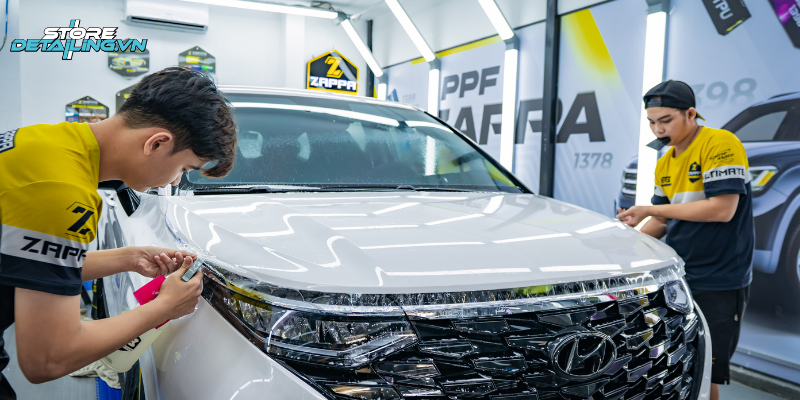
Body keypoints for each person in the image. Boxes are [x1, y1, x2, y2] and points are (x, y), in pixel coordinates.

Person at [0, 67, 237, 399]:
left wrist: (130, 258)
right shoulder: (61, 193)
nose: (174, 181)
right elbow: (48, 358)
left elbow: (26, 263)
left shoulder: (42, 142)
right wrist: (164, 308)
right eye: (183, 168)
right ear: (157, 143)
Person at [617, 80, 754, 400]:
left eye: (665, 120)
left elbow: (722, 209)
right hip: (677, 275)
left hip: (720, 278)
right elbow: (663, 221)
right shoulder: (664, 162)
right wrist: (623, 245)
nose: (658, 129)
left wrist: (649, 208)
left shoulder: (721, 143)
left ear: (690, 114)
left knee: (706, 373)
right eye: (652, 122)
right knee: (678, 366)